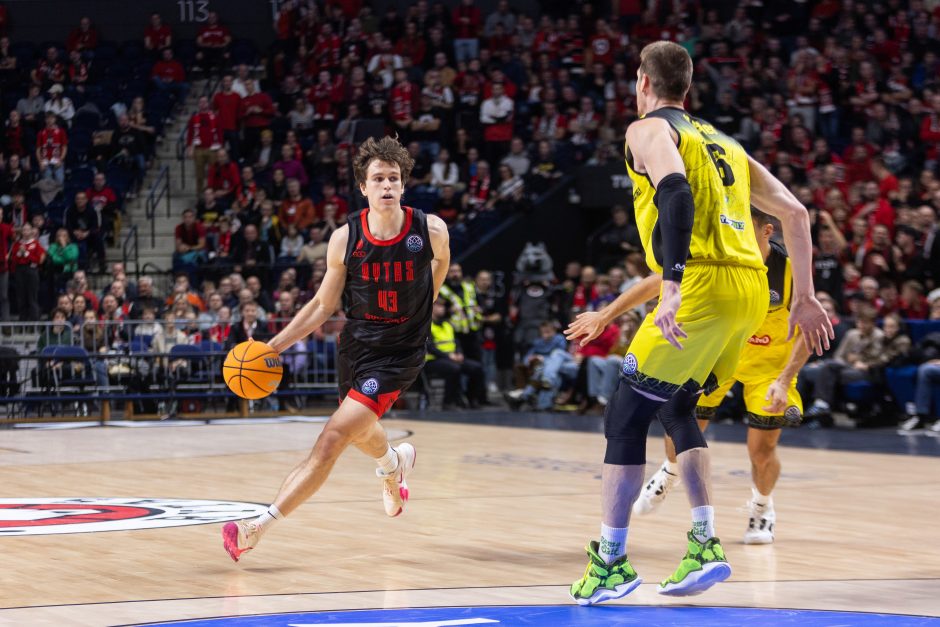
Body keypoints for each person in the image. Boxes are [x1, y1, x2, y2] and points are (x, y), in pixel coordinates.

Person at [567, 42, 831, 605]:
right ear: (687, 87)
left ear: (642, 82)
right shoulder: (726, 143)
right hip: (750, 288)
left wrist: (671, 283)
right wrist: (804, 296)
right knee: (679, 407)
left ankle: (611, 562)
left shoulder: (646, 130)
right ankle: (705, 545)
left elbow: (674, 191)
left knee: (624, 415)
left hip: (703, 283)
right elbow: (796, 213)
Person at [220, 136, 450, 562]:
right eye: (378, 178)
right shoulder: (346, 238)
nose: (386, 186)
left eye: (394, 179)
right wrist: (272, 347)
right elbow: (324, 306)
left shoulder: (430, 230)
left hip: (400, 352)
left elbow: (440, 266)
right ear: (363, 187)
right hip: (358, 346)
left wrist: (423, 304)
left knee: (332, 438)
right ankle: (392, 463)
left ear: (403, 186)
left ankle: (257, 528)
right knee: (360, 432)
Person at [569, 209, 813, 546]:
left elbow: (809, 330)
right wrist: (606, 314)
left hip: (768, 367)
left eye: (745, 229)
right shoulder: (721, 253)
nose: (736, 235)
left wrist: (785, 380)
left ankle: (762, 507)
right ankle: (670, 471)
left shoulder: (790, 271)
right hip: (721, 349)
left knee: (762, 451)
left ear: (767, 231)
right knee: (679, 421)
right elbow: (659, 280)